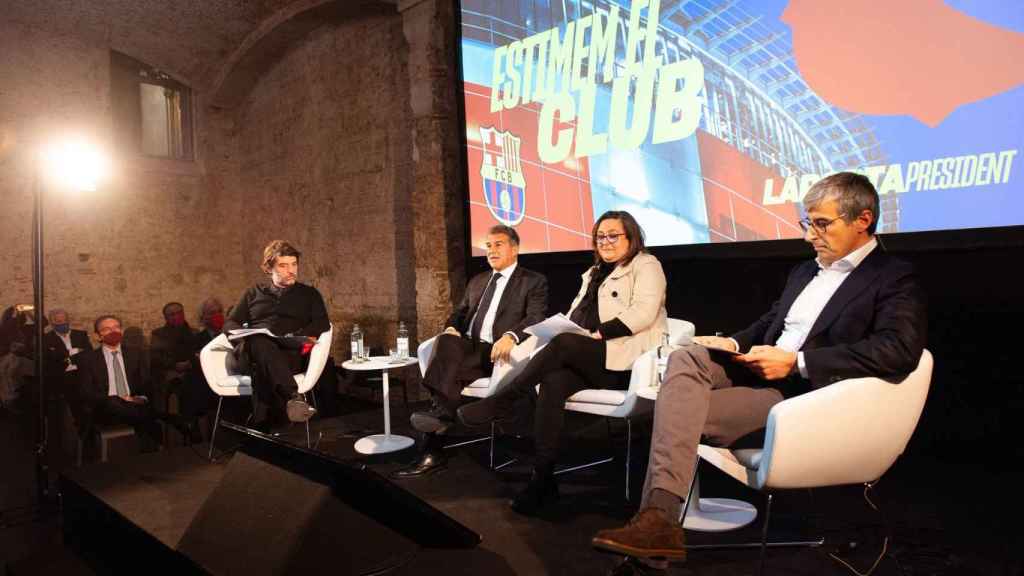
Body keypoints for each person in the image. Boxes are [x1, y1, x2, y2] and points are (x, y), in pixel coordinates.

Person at [591, 172, 927, 575]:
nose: (810, 236)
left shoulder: (892, 276)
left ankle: (657, 526)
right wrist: (731, 344)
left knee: (673, 407)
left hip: (802, 393)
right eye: (808, 223)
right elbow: (772, 321)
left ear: (863, 219)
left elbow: (899, 349)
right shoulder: (805, 272)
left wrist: (798, 362)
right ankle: (659, 525)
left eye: (822, 224)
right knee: (687, 357)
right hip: (756, 369)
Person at [458, 211, 668, 515]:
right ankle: (542, 480)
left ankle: (505, 399)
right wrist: (561, 328)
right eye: (600, 236)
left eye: (613, 235)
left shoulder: (646, 265)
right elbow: (574, 315)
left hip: (624, 361)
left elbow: (644, 313)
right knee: (554, 381)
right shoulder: (594, 272)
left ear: (631, 237)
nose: (605, 242)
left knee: (565, 342)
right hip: (591, 357)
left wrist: (596, 334)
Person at [391, 224, 548, 479]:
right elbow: (459, 313)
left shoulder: (533, 281)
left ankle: (434, 439)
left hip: (498, 353)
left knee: (451, 368)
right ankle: (443, 416)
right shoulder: (478, 281)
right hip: (468, 348)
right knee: (446, 341)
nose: (491, 250)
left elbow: (535, 317)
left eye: (498, 244)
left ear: (515, 248)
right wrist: (452, 327)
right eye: (488, 246)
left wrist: (511, 336)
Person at [224, 240, 329, 429]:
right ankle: (292, 397)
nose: (291, 270)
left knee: (262, 370)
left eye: (294, 264)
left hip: (289, 354)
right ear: (268, 268)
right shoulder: (253, 293)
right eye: (283, 265)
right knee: (259, 340)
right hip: (251, 353)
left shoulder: (309, 294)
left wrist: (297, 336)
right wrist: (243, 338)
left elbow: (321, 322)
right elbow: (230, 323)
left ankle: (263, 430)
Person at [77, 315, 165, 452]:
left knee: (141, 406)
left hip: (134, 402)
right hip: (106, 407)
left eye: (116, 328)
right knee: (118, 404)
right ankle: (155, 429)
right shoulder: (88, 359)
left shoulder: (136, 354)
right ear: (97, 336)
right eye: (106, 329)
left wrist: (141, 398)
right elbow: (86, 392)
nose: (113, 332)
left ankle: (149, 428)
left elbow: (147, 384)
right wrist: (117, 399)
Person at [150, 302, 197, 414]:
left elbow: (199, 353)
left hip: (192, 371)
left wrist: (190, 363)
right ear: (166, 318)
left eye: (179, 313)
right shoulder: (158, 334)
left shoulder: (195, 333)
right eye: (172, 314)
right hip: (168, 373)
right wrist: (174, 365)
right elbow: (156, 357)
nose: (176, 316)